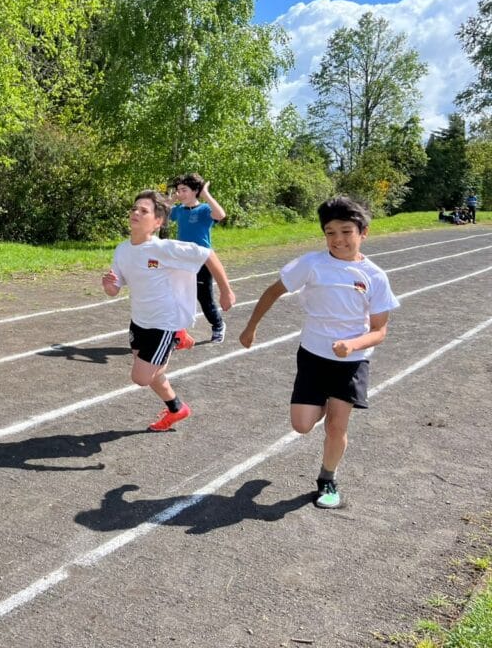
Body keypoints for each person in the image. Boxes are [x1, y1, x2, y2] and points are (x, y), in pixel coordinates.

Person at [238, 196, 399, 510]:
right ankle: (325, 402)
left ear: (363, 232)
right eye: (330, 233)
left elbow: (380, 330)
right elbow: (273, 291)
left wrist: (353, 345)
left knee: (337, 425)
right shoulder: (312, 264)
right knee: (301, 425)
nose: (338, 239)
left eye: (346, 232)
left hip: (351, 361)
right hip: (313, 354)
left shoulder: (375, 276)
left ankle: (328, 478)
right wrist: (251, 327)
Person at [101, 190, 235, 431]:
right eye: (134, 208)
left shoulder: (164, 249)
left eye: (144, 211)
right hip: (139, 320)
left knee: (141, 377)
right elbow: (114, 289)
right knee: (152, 370)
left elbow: (207, 254)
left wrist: (226, 291)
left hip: (164, 322)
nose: (135, 213)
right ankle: (176, 408)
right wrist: (109, 284)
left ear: (157, 222)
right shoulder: (122, 250)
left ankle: (175, 336)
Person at [169, 172, 227, 343]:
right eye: (179, 190)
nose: (180, 194)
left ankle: (218, 325)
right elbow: (160, 213)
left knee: (204, 298)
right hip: (182, 260)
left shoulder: (204, 209)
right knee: (177, 297)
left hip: (203, 261)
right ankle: (178, 334)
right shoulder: (179, 210)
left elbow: (220, 215)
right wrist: (171, 200)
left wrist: (206, 194)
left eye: (184, 190)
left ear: (195, 191)